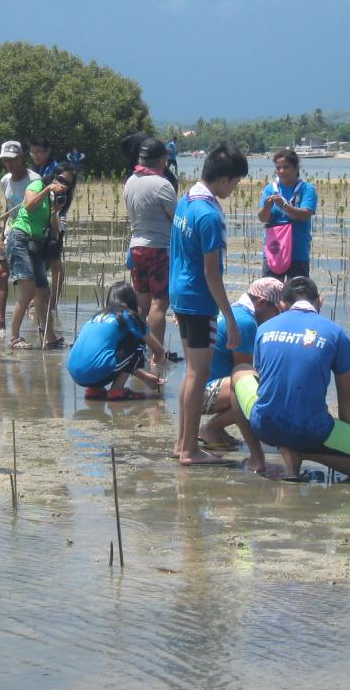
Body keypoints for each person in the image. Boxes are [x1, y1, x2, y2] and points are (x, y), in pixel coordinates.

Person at [233, 276, 350, 480]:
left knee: (240, 370)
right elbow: (346, 399)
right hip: (313, 430)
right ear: (319, 301)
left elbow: (264, 379)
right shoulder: (336, 333)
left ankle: (256, 457)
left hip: (266, 426)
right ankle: (304, 452)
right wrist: (345, 439)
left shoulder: (263, 329)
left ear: (283, 304)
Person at [169, 141, 248, 466]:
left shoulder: (187, 198)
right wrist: (229, 316)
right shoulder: (209, 215)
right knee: (197, 376)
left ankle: (182, 443)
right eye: (236, 182)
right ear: (226, 179)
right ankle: (189, 450)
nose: (235, 188)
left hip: (179, 293)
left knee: (191, 373)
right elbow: (211, 272)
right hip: (198, 300)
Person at [198, 277, 284, 449]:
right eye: (277, 311)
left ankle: (218, 429)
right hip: (206, 392)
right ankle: (210, 428)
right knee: (257, 388)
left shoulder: (235, 310)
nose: (278, 318)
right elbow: (243, 374)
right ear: (261, 302)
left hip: (198, 389)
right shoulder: (246, 323)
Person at [6, 162, 75, 350]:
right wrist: (47, 190)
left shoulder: (55, 199)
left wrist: (54, 212)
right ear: (54, 177)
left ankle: (50, 337)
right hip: (20, 239)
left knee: (43, 292)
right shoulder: (37, 185)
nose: (63, 184)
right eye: (60, 179)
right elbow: (28, 206)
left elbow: (53, 231)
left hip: (36, 244)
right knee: (28, 291)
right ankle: (14, 338)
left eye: (67, 183)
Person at [123, 137, 177, 361]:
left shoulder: (130, 181)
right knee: (159, 302)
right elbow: (176, 219)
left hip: (136, 247)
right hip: (159, 248)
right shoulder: (163, 184)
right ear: (163, 159)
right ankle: (157, 355)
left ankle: (135, 350)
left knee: (141, 302)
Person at [67, 281, 166, 400]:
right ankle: (117, 390)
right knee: (138, 341)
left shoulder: (98, 316)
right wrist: (155, 362)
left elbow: (118, 359)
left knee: (107, 350)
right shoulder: (128, 316)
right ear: (132, 301)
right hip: (97, 370)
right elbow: (159, 351)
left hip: (75, 373)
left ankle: (94, 389)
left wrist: (145, 377)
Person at [0, 141, 39, 334]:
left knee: (28, 280)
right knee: (1, 275)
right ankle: (0, 319)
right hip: (10, 233)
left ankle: (35, 318)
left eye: (12, 160)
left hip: (27, 234)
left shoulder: (34, 180)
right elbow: (7, 208)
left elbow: (41, 210)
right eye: (5, 161)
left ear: (22, 158)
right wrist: (1, 236)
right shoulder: (5, 180)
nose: (9, 165)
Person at [257, 148, 317, 281]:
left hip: (298, 252)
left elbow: (305, 215)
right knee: (269, 296)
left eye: (286, 167)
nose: (281, 171)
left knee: (296, 297)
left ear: (296, 168)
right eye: (278, 168)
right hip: (274, 251)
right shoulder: (270, 189)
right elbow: (262, 218)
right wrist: (267, 207)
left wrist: (284, 206)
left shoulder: (307, 189)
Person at [29, 136, 66, 304]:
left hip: (55, 218)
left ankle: (53, 302)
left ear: (48, 151)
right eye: (33, 152)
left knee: (55, 261)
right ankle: (38, 300)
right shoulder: (35, 168)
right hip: (38, 219)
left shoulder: (56, 168)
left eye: (39, 152)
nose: (36, 155)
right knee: (40, 262)